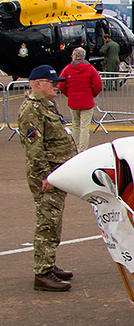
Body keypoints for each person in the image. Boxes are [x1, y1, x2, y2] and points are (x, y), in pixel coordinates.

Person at [19, 65, 79, 291]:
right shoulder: (31, 110)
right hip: (47, 175)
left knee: (54, 220)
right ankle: (42, 273)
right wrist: (45, 175)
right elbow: (33, 147)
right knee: (47, 222)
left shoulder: (47, 106)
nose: (57, 85)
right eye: (52, 82)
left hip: (56, 173)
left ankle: (48, 263)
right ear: (37, 84)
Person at [58, 47, 102, 151]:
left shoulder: (68, 69)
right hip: (87, 101)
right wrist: (93, 95)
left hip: (73, 101)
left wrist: (68, 94)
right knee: (84, 127)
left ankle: (74, 147)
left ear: (75, 56)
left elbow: (61, 84)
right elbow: (97, 84)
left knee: (75, 125)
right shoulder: (90, 68)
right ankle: (82, 149)